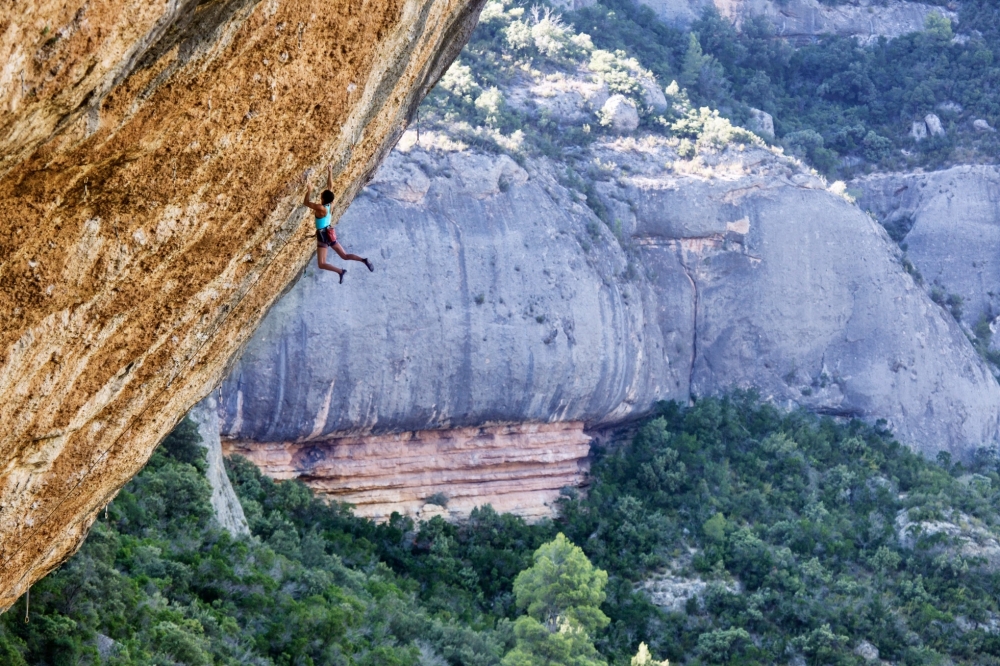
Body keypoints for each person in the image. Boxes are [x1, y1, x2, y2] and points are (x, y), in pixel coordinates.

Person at [303, 165, 373, 283]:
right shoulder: (331, 204)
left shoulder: (321, 208)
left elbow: (306, 202)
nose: (320, 196)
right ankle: (363, 260)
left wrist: (309, 190)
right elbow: (330, 187)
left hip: (323, 236)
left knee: (322, 264)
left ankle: (340, 271)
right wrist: (330, 171)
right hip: (330, 233)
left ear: (323, 198)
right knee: (344, 256)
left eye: (321, 196)